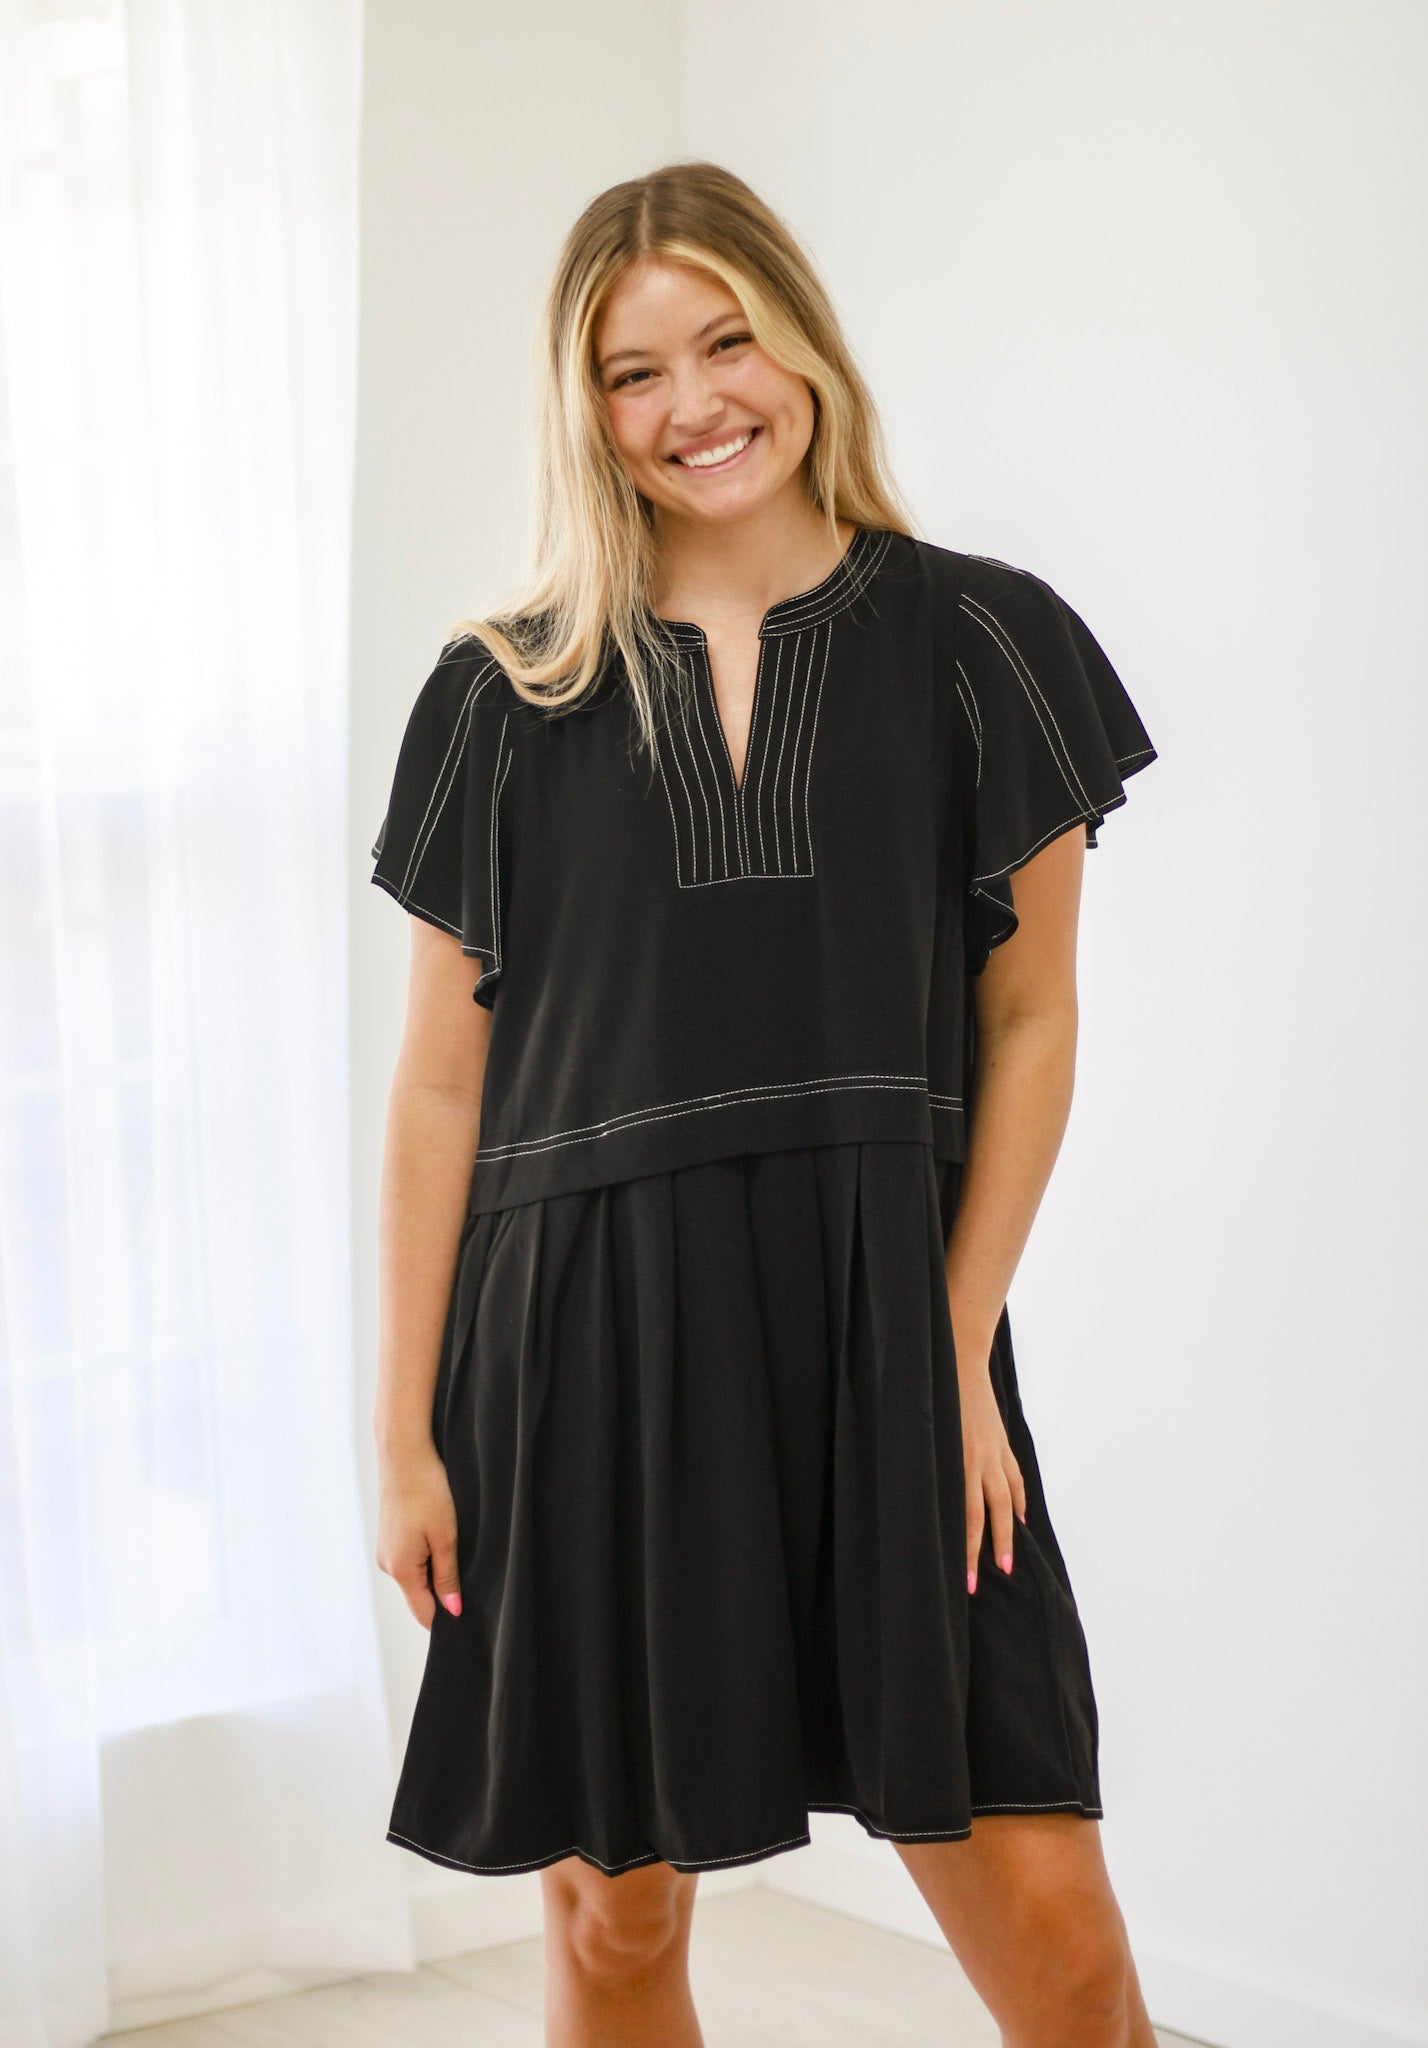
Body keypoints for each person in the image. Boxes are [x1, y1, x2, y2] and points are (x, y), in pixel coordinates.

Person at [370, 160, 1161, 2048]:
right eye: (633, 372)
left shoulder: (982, 642)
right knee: (612, 1926)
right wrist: (403, 1438)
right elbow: (439, 1085)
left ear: (803, 344)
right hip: (585, 1347)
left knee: (1056, 1938)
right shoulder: (499, 695)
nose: (694, 404)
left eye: (727, 342)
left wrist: (950, 1349)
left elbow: (1033, 1017)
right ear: (585, 409)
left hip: (884, 1324)